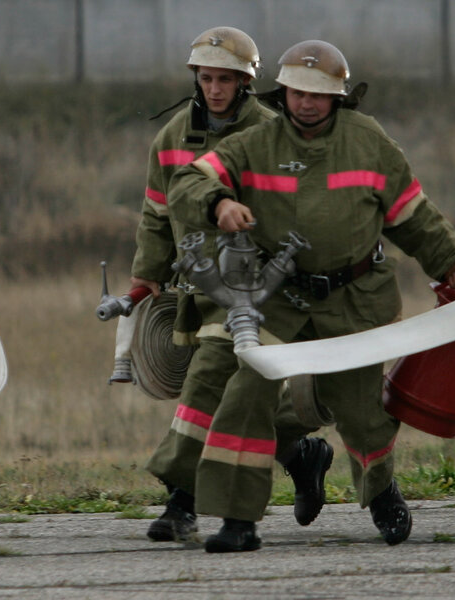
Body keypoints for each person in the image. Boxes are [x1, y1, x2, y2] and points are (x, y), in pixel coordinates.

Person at [168, 40, 455, 552]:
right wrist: (218, 200)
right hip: (277, 296)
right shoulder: (254, 143)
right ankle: (238, 520)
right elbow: (187, 183)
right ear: (282, 92)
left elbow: (411, 213)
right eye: (297, 93)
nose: (307, 103)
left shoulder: (368, 141)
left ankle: (382, 495)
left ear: (338, 97)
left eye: (319, 94)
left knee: (360, 408)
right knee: (247, 394)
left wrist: (451, 257)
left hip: (357, 295)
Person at [127, 26, 335, 542]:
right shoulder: (172, 137)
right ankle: (300, 454)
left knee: (210, 385)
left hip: (256, 287)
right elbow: (156, 213)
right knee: (235, 398)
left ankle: (182, 503)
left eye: (225, 79)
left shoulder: (272, 131)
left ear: (246, 82)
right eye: (206, 78)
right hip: (197, 286)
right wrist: (145, 275)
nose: (214, 89)